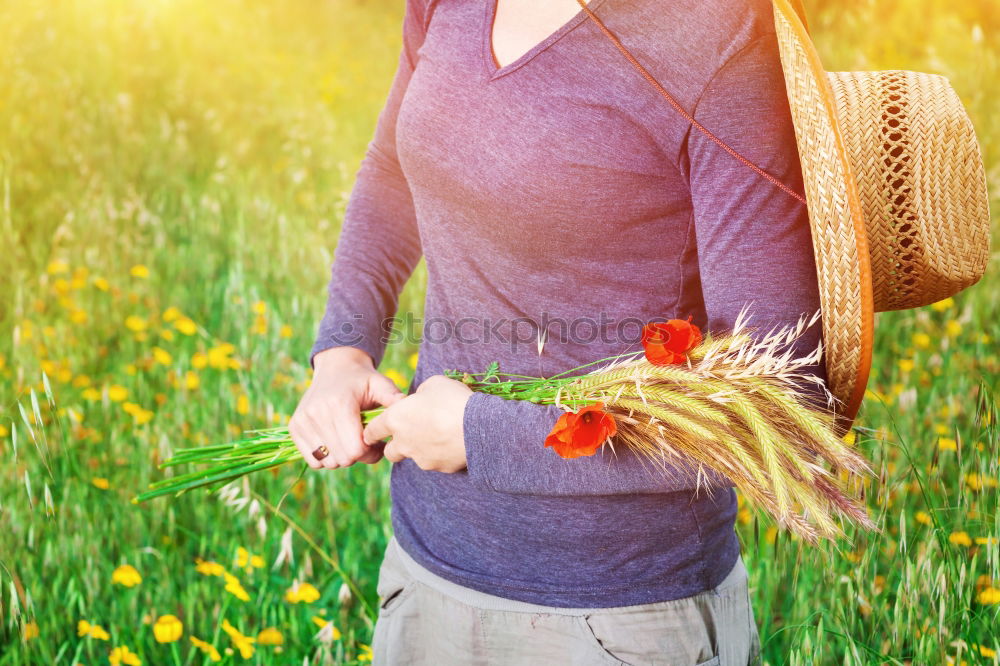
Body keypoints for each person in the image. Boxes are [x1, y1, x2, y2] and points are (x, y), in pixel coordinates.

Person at [291, 0, 828, 663]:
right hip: (427, 568)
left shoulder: (719, 37)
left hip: (616, 616)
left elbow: (777, 404)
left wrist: (479, 437)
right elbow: (393, 174)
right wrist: (342, 351)